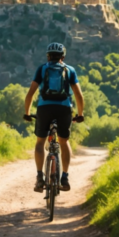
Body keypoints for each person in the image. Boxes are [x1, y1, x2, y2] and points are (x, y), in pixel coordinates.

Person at [23, 42, 85, 192]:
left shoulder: (42, 69)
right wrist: (80, 114)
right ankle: (65, 177)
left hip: (44, 108)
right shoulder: (70, 70)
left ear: (48, 56)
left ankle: (40, 177)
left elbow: (30, 93)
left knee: (40, 142)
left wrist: (27, 113)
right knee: (64, 142)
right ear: (63, 56)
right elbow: (79, 95)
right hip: (64, 109)